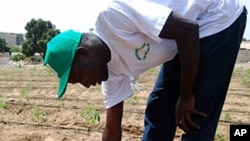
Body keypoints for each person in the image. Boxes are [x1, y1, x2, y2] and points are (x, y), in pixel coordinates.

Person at [44, 0, 247, 140]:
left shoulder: (112, 17)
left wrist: (186, 96)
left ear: (83, 54)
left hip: (218, 18)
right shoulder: (110, 74)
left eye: (79, 77)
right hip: (183, 42)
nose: (86, 84)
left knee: (195, 117)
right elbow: (112, 131)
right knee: (159, 109)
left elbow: (187, 30)